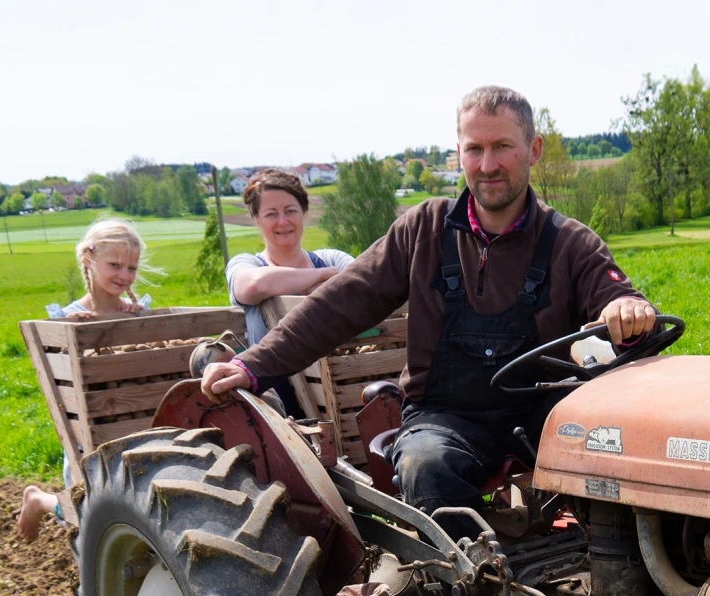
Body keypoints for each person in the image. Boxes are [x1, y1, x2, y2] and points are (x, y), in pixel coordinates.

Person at [201, 85, 657, 521]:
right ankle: (471, 575)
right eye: (474, 149)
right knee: (426, 466)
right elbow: (340, 303)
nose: (488, 164)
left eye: (503, 146)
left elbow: (620, 302)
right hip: (444, 420)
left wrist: (627, 312)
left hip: (543, 415)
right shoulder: (423, 230)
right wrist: (253, 365)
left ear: (533, 150)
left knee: (615, 448)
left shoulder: (570, 243)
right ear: (459, 152)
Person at [18, 217, 160, 541]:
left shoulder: (136, 312)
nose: (124, 275)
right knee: (86, 512)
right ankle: (39, 500)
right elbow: (59, 383)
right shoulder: (66, 317)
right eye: (115, 265)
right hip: (90, 431)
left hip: (136, 421)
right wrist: (71, 333)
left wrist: (138, 323)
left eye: (131, 268)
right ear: (89, 260)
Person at [226, 168, 354, 417]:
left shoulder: (331, 258)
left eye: (290, 211)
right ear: (257, 220)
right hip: (278, 409)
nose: (283, 222)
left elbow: (364, 283)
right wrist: (323, 277)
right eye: (271, 214)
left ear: (303, 212)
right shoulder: (247, 264)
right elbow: (254, 286)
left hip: (344, 396)